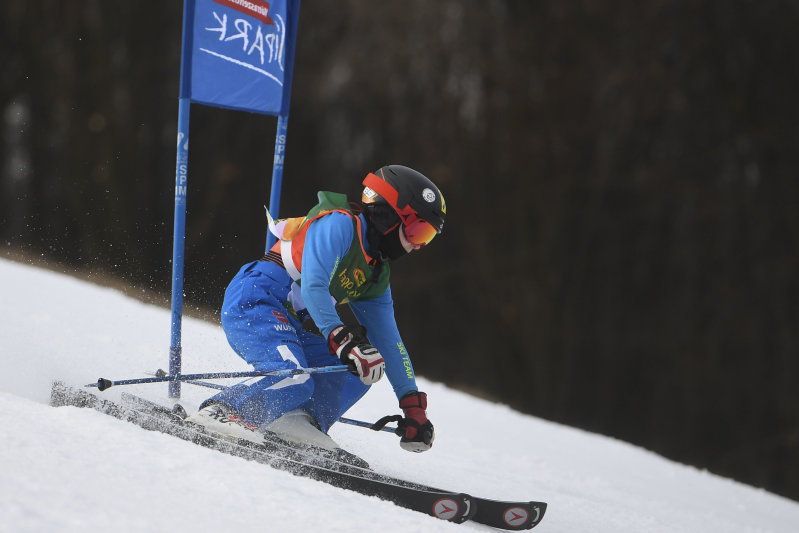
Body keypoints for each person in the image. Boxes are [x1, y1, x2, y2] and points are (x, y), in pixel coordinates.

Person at [187, 165, 446, 461]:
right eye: (417, 231)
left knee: (362, 367)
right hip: (255, 301)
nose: (416, 246)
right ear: (388, 214)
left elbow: (389, 341)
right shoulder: (340, 225)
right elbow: (314, 286)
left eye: (426, 238)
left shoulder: (375, 274)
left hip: (286, 321)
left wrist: (413, 406)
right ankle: (224, 411)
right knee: (295, 376)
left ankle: (297, 420)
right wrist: (342, 339)